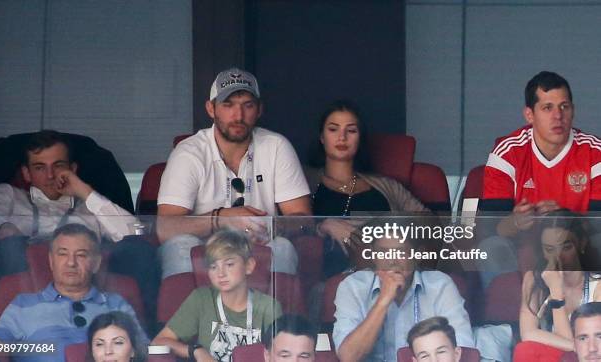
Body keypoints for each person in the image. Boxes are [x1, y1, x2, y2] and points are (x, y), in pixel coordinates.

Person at [156, 67, 311, 278]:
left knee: (282, 247)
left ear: (259, 109)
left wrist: (271, 226)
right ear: (211, 109)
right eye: (228, 105)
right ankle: (191, 311)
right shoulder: (188, 152)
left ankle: (273, 312)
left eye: (247, 105)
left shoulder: (276, 146)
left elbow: (304, 218)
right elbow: (165, 228)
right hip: (205, 250)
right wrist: (221, 219)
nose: (238, 116)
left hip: (256, 246)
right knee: (180, 246)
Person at [0, 130, 159, 322]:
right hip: (26, 295)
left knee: (140, 250)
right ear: (26, 173)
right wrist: (7, 230)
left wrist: (83, 190)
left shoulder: (90, 206)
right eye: (39, 167)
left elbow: (134, 232)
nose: (50, 175)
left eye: (58, 166)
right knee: (8, 245)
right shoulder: (9, 195)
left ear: (73, 169)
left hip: (89, 290)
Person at [478, 71, 601, 287]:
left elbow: (598, 226)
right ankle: (510, 315)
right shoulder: (507, 151)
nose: (558, 116)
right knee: (491, 248)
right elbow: (490, 228)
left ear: (573, 111)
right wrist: (516, 222)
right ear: (529, 115)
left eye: (565, 106)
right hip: (521, 246)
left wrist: (562, 219)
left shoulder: (594, 151)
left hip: (575, 246)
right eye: (547, 108)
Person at [0, 224, 147, 362]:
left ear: (96, 263)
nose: (71, 263)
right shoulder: (22, 304)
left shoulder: (116, 304)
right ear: (51, 261)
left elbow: (143, 351)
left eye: (81, 255)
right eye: (63, 254)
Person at [306, 100, 429, 277]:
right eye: (333, 129)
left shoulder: (386, 185)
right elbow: (289, 224)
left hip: (389, 270)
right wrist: (323, 226)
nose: (342, 137)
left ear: (360, 138)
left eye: (351, 130)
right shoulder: (305, 180)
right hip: (333, 278)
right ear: (322, 137)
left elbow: (427, 223)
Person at [332, 218, 474, 362]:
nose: (391, 261)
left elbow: (463, 349)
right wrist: (383, 301)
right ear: (373, 255)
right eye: (383, 252)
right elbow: (348, 357)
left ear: (418, 255)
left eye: (400, 252)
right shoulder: (353, 286)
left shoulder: (439, 285)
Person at [152, 228, 282, 362]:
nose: (221, 273)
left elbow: (280, 354)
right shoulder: (202, 299)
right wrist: (195, 351)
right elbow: (159, 342)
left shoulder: (268, 306)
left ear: (249, 265)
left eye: (229, 264)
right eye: (213, 267)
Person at [514, 210, 601, 362]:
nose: (558, 257)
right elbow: (527, 333)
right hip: (556, 357)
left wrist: (556, 291)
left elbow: (577, 354)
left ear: (582, 243)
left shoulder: (598, 284)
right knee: (524, 350)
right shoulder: (533, 279)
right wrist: (576, 344)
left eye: (566, 248)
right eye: (549, 249)